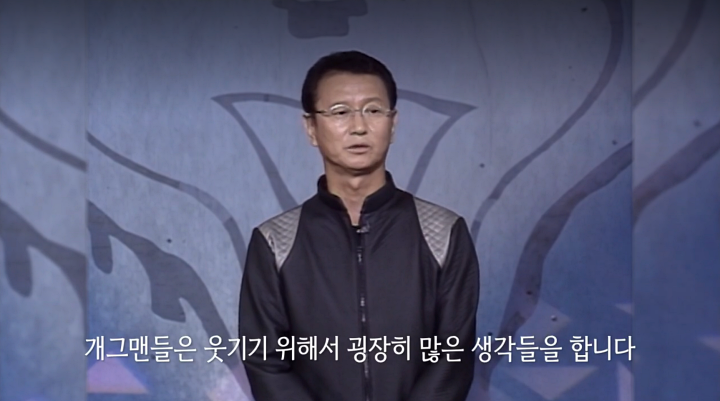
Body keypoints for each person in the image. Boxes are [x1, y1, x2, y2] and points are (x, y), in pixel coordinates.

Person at [239, 50, 480, 401]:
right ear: (311, 128)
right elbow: (265, 361)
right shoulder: (274, 241)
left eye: (373, 110)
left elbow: (453, 356)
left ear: (393, 124)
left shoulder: (444, 232)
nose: (358, 127)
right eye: (340, 112)